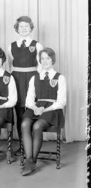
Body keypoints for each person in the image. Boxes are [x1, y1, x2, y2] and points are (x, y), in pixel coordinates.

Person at [20, 48, 66, 176]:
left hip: (52, 109)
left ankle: (31, 160)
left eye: (48, 58)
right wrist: (35, 108)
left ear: (53, 60)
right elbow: (29, 99)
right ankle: (30, 160)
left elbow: (61, 101)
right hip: (36, 107)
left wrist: (45, 109)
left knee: (37, 126)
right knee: (24, 124)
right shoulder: (34, 77)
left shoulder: (59, 77)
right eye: (42, 58)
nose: (45, 61)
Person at [6, 16, 43, 156]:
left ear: (31, 28)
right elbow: (10, 66)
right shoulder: (12, 46)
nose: (24, 29)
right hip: (17, 79)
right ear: (17, 28)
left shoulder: (37, 45)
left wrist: (36, 82)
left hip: (32, 79)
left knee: (32, 110)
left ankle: (32, 144)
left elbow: (40, 66)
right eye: (21, 26)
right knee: (19, 112)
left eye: (26, 26)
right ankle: (22, 144)